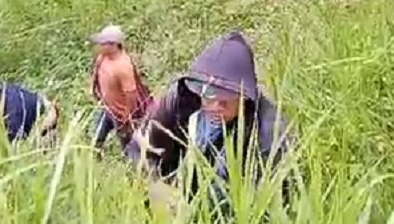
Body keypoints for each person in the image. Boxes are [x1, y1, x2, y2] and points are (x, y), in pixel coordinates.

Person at [125, 31, 293, 210]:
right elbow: (137, 149)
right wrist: (156, 186)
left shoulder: (271, 135)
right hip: (178, 194)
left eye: (226, 98)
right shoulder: (183, 98)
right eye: (209, 94)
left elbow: (274, 205)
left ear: (245, 96)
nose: (215, 106)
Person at [89, 24, 152, 156]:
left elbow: (131, 93)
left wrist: (127, 116)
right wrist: (94, 90)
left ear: (114, 45)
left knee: (128, 145)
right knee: (96, 138)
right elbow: (96, 73)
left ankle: (134, 162)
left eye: (104, 44)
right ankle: (95, 158)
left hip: (121, 114)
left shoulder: (123, 66)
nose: (100, 46)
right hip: (107, 108)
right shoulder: (103, 58)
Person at [0, 77, 60, 145]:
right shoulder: (3, 90)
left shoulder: (13, 114)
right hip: (40, 104)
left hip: (46, 117)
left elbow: (15, 144)